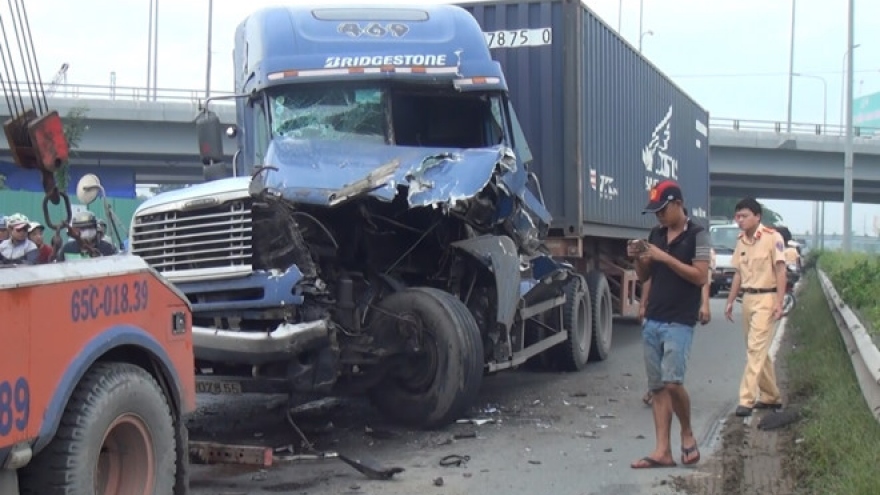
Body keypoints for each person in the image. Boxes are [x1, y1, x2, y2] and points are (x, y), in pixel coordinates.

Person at [628, 180, 710, 469]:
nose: (659, 216)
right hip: (654, 318)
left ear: (677, 204)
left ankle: (686, 433)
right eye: (655, 212)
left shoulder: (698, 235)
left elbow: (700, 276)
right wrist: (639, 259)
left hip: (680, 320)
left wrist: (665, 256)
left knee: (674, 383)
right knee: (658, 387)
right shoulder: (656, 234)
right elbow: (644, 276)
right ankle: (662, 450)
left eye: (663, 210)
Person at [724, 198, 787, 417]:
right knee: (758, 351)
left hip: (767, 298)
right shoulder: (741, 241)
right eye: (738, 216)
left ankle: (747, 399)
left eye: (744, 216)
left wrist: (779, 302)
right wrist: (730, 301)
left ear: (757, 217)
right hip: (748, 299)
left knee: (755, 349)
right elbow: (738, 274)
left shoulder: (772, 238)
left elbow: (781, 271)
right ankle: (771, 396)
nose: (739, 221)